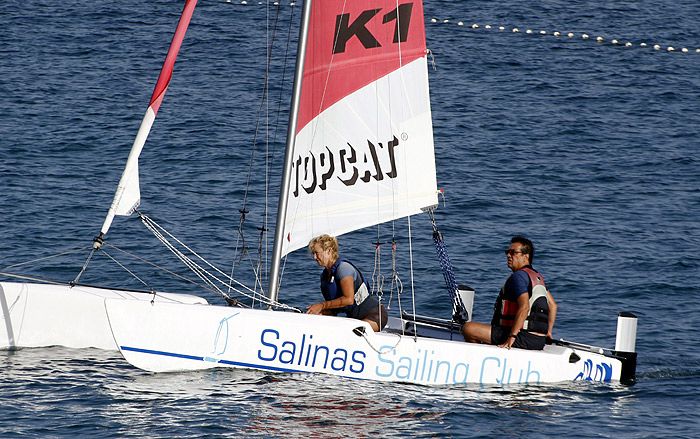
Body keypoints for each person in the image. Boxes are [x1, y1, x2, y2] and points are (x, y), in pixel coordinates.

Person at [462, 236, 557, 350]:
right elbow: (553, 305)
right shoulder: (536, 277)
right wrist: (548, 332)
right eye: (507, 252)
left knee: (468, 328)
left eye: (513, 252)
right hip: (538, 341)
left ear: (526, 256)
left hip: (522, 337)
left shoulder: (518, 277)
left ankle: (482, 359)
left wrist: (511, 337)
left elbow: (524, 307)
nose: (508, 255)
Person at [307, 234, 388, 332]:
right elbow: (334, 307)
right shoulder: (325, 276)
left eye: (316, 253)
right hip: (353, 318)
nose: (314, 257)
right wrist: (317, 313)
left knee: (352, 333)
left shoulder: (344, 269)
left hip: (374, 316)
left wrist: (322, 305)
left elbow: (348, 300)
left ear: (329, 251)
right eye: (313, 254)